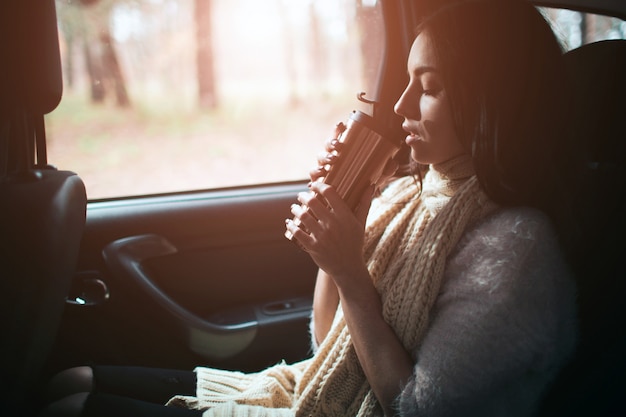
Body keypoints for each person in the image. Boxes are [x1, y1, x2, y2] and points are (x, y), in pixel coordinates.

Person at [39, 0, 578, 416]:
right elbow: (327, 343)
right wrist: (345, 226)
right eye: (408, 81)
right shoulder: (413, 194)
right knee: (73, 380)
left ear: (489, 102)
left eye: (429, 87)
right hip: (313, 390)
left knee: (70, 408)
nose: (400, 105)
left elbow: (417, 408)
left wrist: (350, 270)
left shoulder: (515, 249)